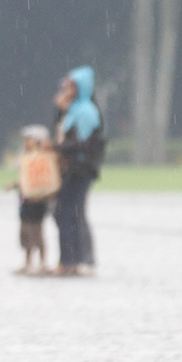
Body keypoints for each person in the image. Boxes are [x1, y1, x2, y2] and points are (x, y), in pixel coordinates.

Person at [52, 66, 104, 276]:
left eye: (71, 86)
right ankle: (73, 260)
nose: (66, 89)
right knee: (66, 213)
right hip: (69, 168)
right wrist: (60, 110)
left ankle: (72, 261)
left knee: (69, 213)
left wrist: (55, 147)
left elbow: (80, 143)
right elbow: (60, 133)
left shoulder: (86, 112)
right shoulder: (72, 110)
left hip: (80, 170)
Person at [6, 124, 54, 274]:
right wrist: (14, 185)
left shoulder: (45, 157)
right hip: (25, 199)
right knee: (25, 231)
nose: (26, 142)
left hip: (39, 200)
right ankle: (27, 262)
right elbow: (25, 178)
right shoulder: (25, 157)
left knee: (37, 230)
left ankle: (42, 262)